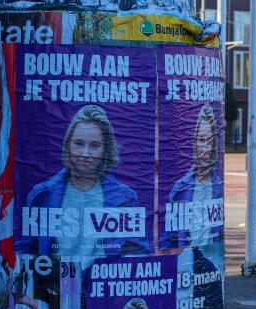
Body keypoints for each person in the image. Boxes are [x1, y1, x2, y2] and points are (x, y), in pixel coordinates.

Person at [15, 104, 151, 256]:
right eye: (79, 144)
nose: (85, 154)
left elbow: (138, 253)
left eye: (94, 145)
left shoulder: (127, 198)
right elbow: (24, 250)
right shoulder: (41, 195)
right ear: (68, 145)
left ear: (105, 150)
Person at [159, 103, 223, 249]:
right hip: (185, 260)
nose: (205, 149)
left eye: (209, 141)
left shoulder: (218, 187)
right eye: (201, 140)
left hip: (210, 258)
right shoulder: (179, 189)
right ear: (195, 142)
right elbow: (169, 238)